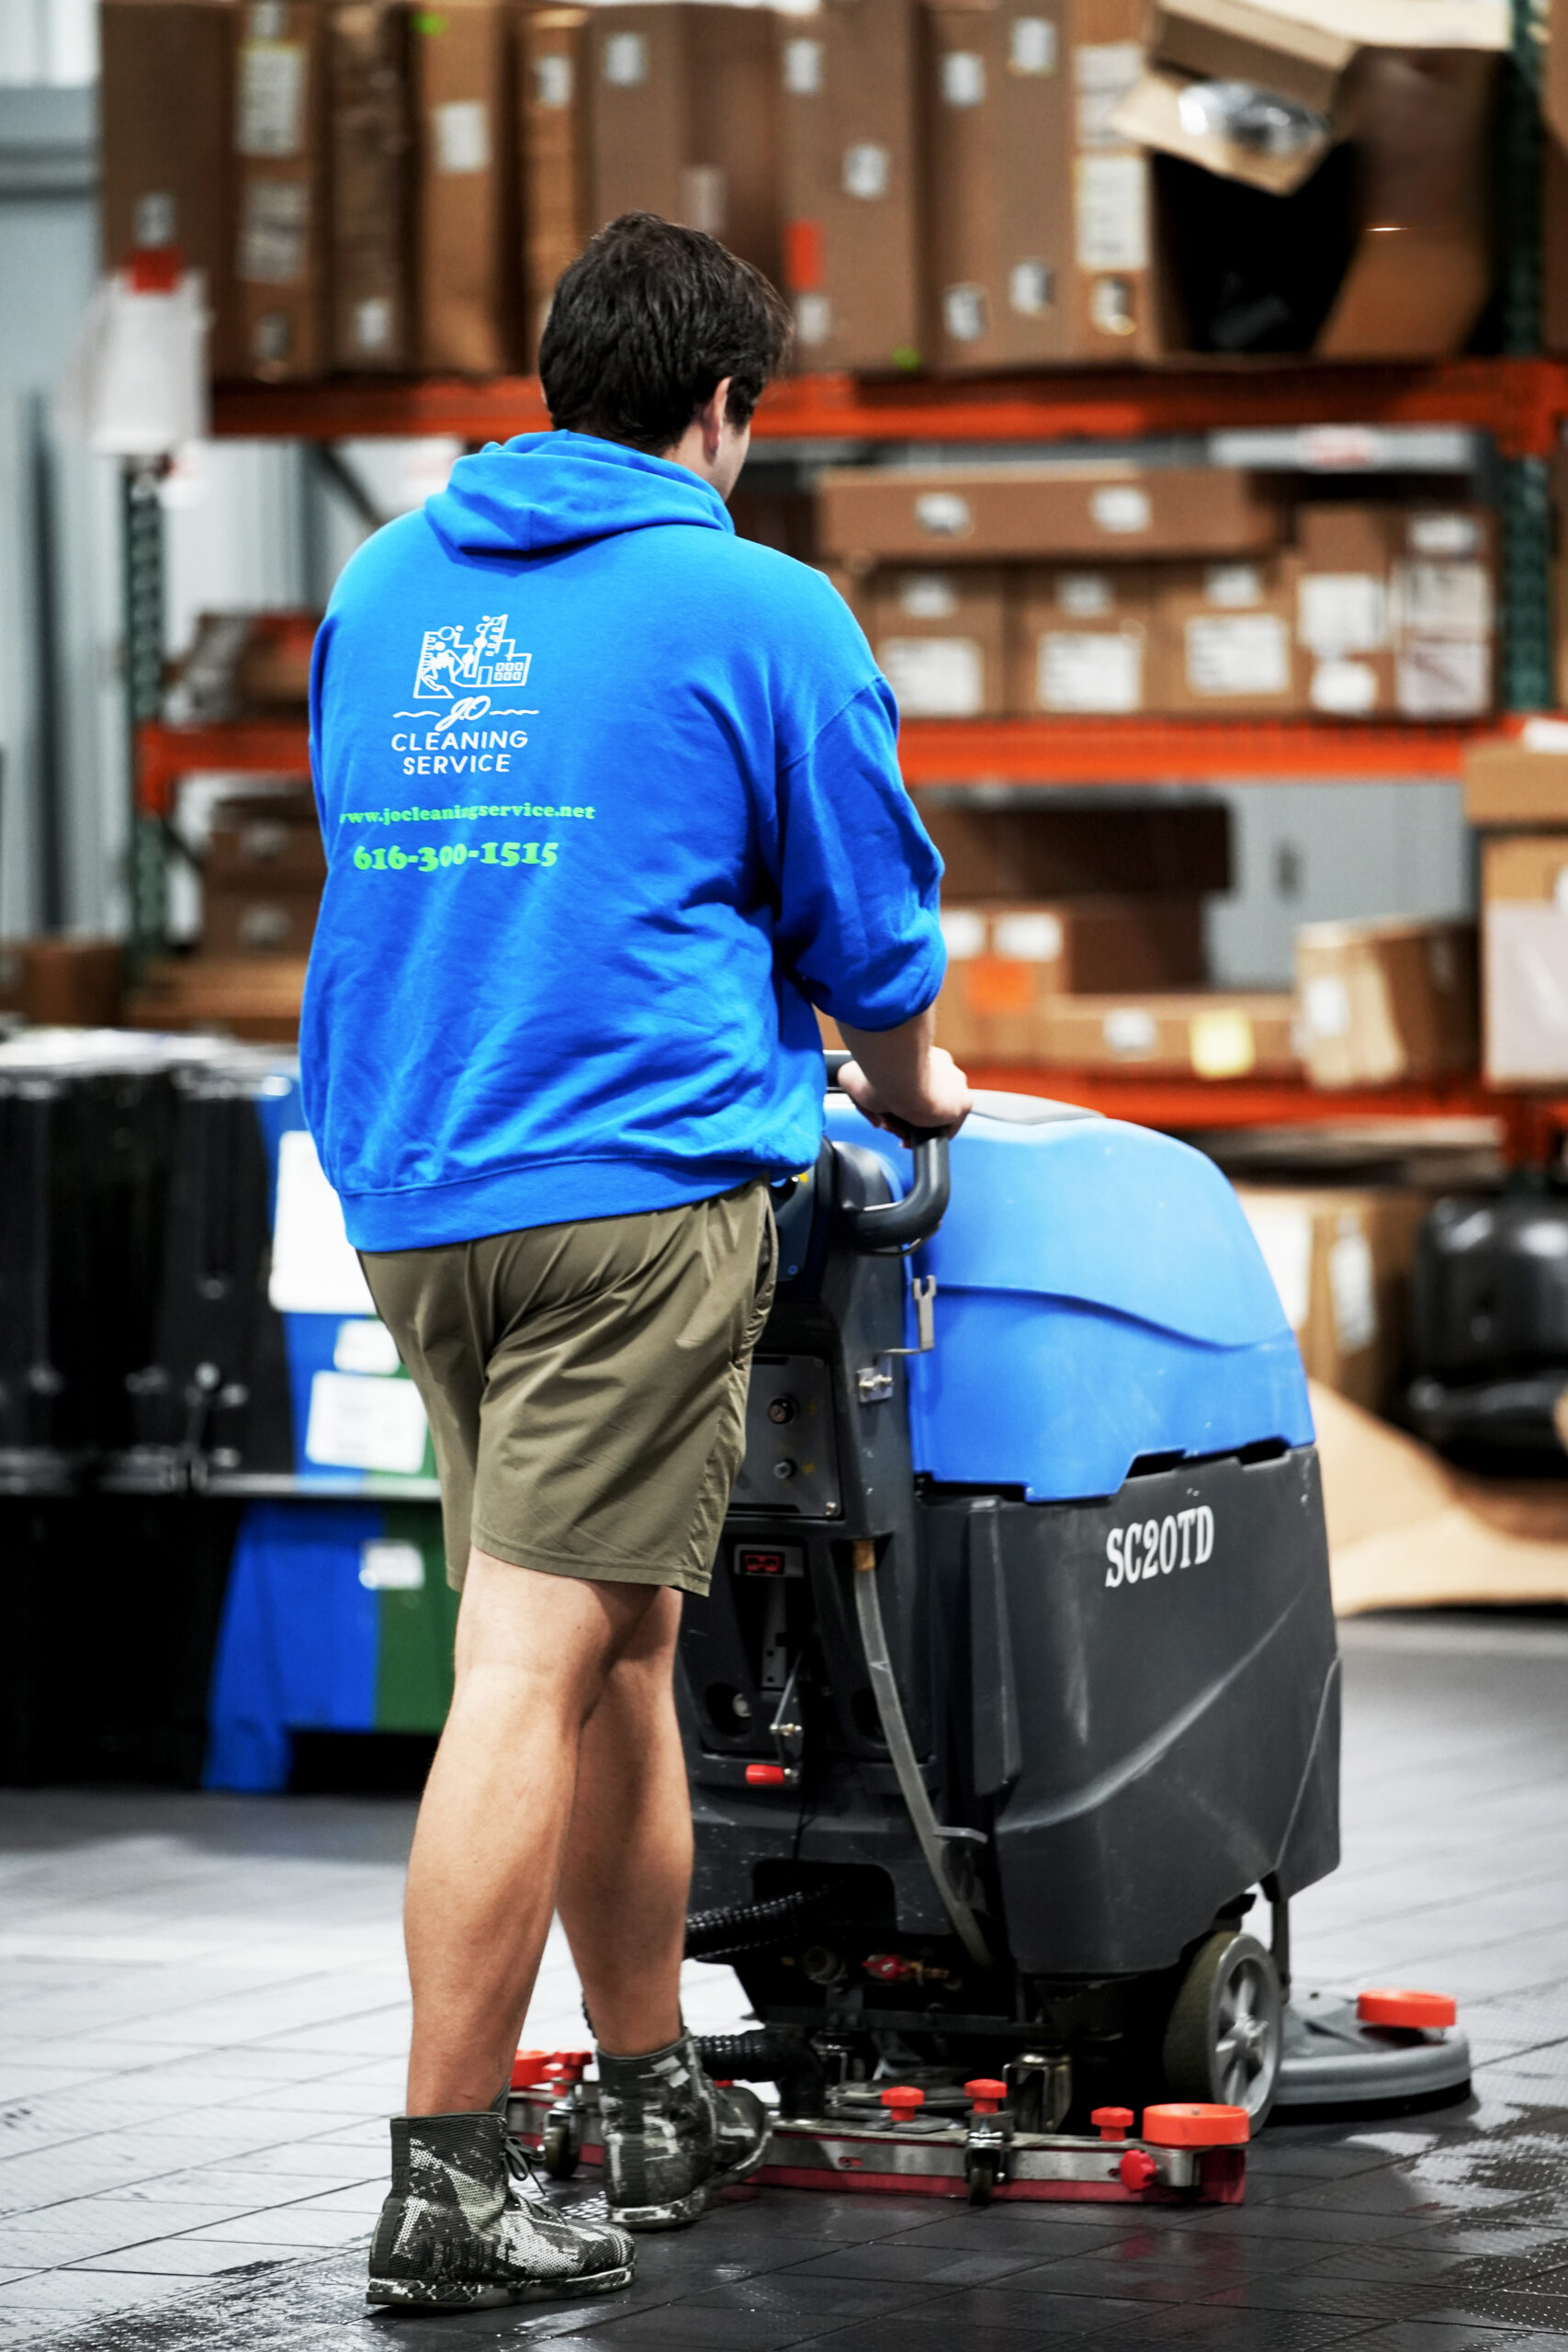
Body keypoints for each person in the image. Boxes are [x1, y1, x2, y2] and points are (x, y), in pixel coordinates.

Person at [299, 211, 969, 2313]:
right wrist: (919, 1088)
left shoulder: (384, 581)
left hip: (416, 1183)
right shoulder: (754, 599)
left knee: (606, 1648)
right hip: (624, 1199)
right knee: (527, 1664)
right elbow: (865, 932)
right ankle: (447, 2169)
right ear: (722, 411)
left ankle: (657, 2080)